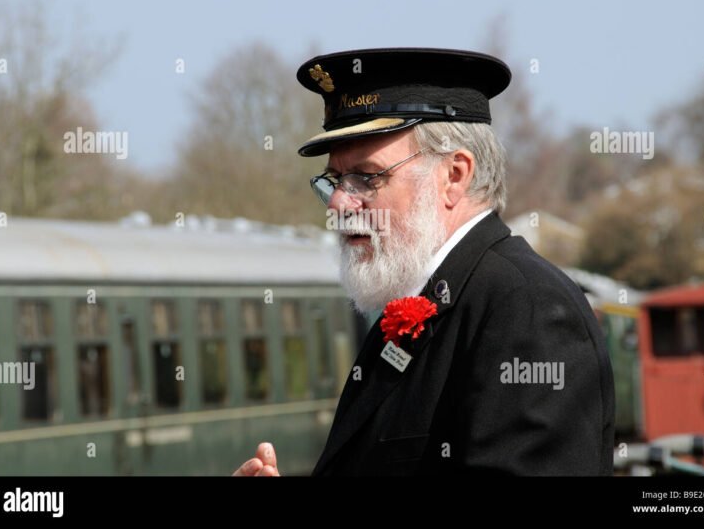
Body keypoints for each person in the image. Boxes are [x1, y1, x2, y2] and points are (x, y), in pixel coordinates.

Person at [233, 48, 615, 476]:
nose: (339, 202)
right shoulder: (418, 309)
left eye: (367, 176)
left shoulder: (528, 309)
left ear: (454, 175)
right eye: (336, 180)